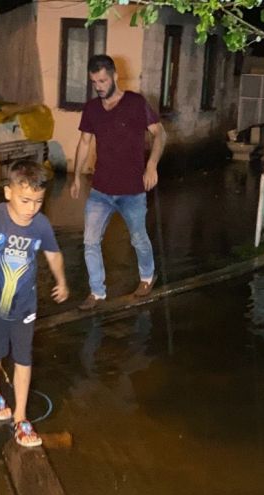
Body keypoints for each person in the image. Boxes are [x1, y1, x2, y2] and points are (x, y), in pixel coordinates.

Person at [0, 159, 69, 447]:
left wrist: (61, 280)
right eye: (25, 200)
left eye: (38, 201)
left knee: (24, 358)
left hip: (24, 307)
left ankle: (21, 417)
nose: (31, 208)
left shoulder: (41, 225)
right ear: (8, 193)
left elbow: (53, 254)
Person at [69, 54, 167, 310]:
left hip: (132, 190)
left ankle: (147, 277)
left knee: (138, 238)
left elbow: (160, 134)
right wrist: (77, 177)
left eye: (102, 80)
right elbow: (85, 142)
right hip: (100, 190)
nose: (99, 86)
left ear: (114, 76)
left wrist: (152, 165)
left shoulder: (136, 103)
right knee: (90, 241)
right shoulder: (92, 109)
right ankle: (97, 292)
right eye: (94, 82)